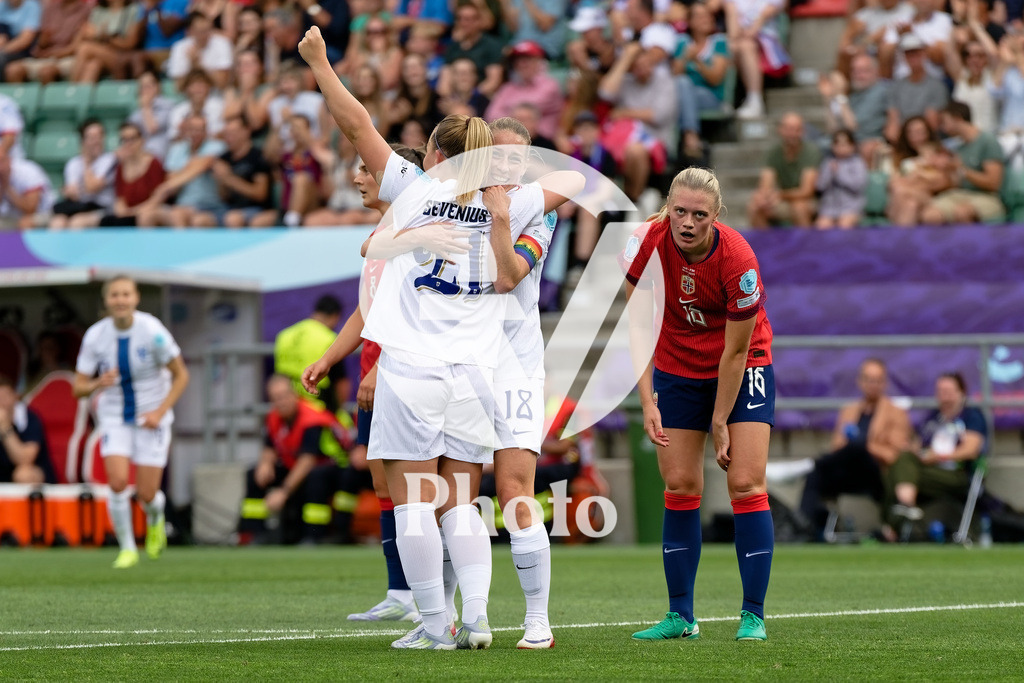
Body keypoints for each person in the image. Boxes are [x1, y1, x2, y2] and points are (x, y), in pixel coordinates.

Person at [297, 24, 577, 650]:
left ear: (435, 155)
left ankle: (457, 624)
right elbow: (578, 182)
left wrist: (319, 63)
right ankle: (469, 617)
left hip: (456, 365)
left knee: (438, 500)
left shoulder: (445, 195)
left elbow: (357, 125)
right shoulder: (517, 201)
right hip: (473, 366)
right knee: (460, 501)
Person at [626, 167, 777, 642]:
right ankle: (680, 616)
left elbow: (735, 351)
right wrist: (647, 398)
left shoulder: (738, 261)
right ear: (668, 206)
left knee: (746, 483)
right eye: (679, 211)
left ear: (716, 216)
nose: (687, 223)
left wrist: (720, 418)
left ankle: (752, 615)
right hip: (677, 367)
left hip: (742, 363)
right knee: (680, 482)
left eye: (699, 214)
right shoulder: (647, 243)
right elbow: (637, 325)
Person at [73, 275, 189, 569]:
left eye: (126, 294)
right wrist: (99, 382)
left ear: (135, 298)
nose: (121, 300)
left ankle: (155, 519)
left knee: (147, 493)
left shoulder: (152, 331)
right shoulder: (95, 336)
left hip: (151, 417)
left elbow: (181, 375)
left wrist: (160, 412)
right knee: (118, 482)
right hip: (114, 417)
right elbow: (78, 388)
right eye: (115, 295)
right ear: (107, 301)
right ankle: (127, 549)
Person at [797, 359, 911, 541]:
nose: (872, 385)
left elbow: (895, 454)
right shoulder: (849, 411)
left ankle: (805, 465)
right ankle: (802, 529)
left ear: (885, 383)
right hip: (848, 471)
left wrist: (865, 445)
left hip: (876, 475)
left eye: (877, 380)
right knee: (816, 473)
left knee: (858, 446)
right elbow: (837, 447)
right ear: (860, 382)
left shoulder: (896, 413)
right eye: (868, 379)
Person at [238, 374, 355, 545]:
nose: (281, 401)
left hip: (333, 467)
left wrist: (283, 492)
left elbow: (308, 460)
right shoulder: (274, 417)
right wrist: (265, 464)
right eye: (275, 398)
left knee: (316, 478)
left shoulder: (311, 418)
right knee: (254, 474)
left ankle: (313, 536)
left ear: (294, 394)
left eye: (284, 396)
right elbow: (270, 446)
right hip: (296, 465)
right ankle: (253, 534)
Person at [887, 372, 986, 535]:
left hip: (957, 474)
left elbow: (971, 450)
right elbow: (918, 446)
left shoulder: (971, 416)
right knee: (900, 462)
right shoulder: (933, 418)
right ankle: (905, 510)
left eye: (948, 392)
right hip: (929, 471)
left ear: (961, 393)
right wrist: (913, 450)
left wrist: (939, 456)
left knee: (898, 474)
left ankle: (893, 526)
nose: (944, 397)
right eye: (940, 392)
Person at [919, 100, 1006, 225]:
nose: (942, 128)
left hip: (986, 197)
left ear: (957, 118)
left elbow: (993, 183)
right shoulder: (958, 147)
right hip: (959, 194)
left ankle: (968, 245)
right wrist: (945, 168)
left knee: (962, 212)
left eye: (944, 121)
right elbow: (956, 182)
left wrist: (961, 170)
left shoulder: (987, 141)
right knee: (930, 215)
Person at [274, 294, 349, 413]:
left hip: (288, 410)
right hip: (320, 410)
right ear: (335, 316)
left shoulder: (284, 336)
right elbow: (341, 383)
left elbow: (278, 379)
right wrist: (337, 409)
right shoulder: (329, 338)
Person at [746, 112, 820, 228]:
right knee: (755, 206)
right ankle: (765, 245)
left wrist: (780, 195)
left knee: (799, 207)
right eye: (789, 129)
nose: (793, 134)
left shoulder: (811, 152)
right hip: (785, 199)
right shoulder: (773, 152)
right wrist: (764, 198)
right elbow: (766, 183)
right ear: (780, 130)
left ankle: (806, 245)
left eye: (797, 129)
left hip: (807, 200)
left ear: (803, 131)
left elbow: (806, 191)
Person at [0, 373, 56, 485]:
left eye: (5, 397)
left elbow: (25, 459)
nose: (2, 402)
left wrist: (5, 428)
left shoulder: (29, 418)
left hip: (35, 475)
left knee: (23, 475)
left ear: (16, 396)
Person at [814, 129, 869, 229]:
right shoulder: (828, 162)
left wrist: (838, 174)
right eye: (837, 144)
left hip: (851, 207)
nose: (840, 148)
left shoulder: (858, 163)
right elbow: (820, 186)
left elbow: (857, 186)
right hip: (829, 207)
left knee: (844, 226)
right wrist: (829, 173)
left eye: (844, 144)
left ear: (852, 146)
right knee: (821, 227)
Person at [0, 145, 54, 229]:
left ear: (9, 160)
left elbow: (30, 209)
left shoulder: (28, 171)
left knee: (26, 222)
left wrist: (6, 187)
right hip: (10, 216)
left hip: (42, 213)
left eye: (1, 161)